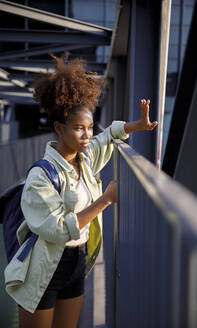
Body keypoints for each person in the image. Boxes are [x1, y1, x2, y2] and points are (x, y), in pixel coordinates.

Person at [4, 54, 158, 328]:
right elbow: (58, 230)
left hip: (76, 262)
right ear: (59, 128)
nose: (87, 136)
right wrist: (104, 201)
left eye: (89, 128)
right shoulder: (40, 176)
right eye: (79, 129)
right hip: (42, 267)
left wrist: (138, 126)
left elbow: (108, 136)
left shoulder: (84, 159)